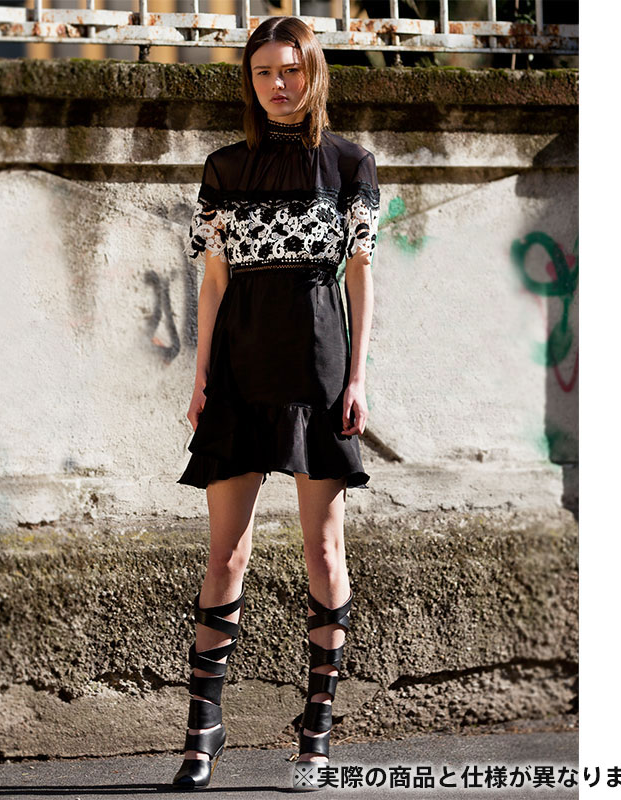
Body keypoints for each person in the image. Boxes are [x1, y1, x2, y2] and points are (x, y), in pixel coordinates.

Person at [171, 15, 379, 791]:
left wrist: (356, 379)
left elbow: (361, 275)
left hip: (318, 369)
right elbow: (213, 279)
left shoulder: (350, 164)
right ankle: (204, 728)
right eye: (263, 72)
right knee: (226, 553)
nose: (278, 84)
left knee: (324, 551)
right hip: (239, 370)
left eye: (290, 69)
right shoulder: (224, 167)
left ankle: (315, 732)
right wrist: (200, 378)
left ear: (313, 72)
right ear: (250, 82)